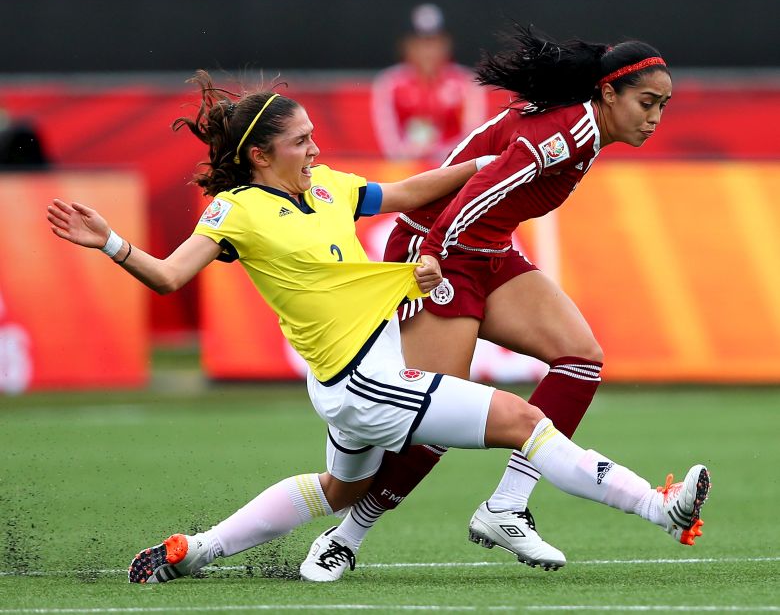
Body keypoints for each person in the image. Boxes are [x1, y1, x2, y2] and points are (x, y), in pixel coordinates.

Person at [46, 70, 709, 586]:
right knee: (522, 422)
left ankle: (194, 552)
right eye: (300, 140)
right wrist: (110, 244)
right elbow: (167, 275)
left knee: (341, 490)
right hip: (364, 381)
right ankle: (658, 506)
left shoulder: (327, 187)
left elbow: (407, 192)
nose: (314, 147)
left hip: (362, 373)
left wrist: (497, 162)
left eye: (312, 135)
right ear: (258, 157)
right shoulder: (233, 212)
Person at [300, 26, 683, 581]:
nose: (654, 117)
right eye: (647, 103)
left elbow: (491, 204)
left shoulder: (585, 127)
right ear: (607, 95)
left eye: (663, 106)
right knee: (435, 419)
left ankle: (506, 507)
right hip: (440, 250)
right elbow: (476, 192)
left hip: (485, 248)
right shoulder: (568, 132)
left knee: (580, 357)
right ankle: (344, 536)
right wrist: (426, 257)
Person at [371, 3, 486, 162]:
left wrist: (441, 154)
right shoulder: (389, 83)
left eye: (434, 43)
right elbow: (388, 135)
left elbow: (473, 132)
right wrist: (409, 153)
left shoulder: (467, 82)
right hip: (406, 167)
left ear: (447, 44)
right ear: (407, 46)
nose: (428, 52)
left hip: (452, 166)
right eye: (421, 44)